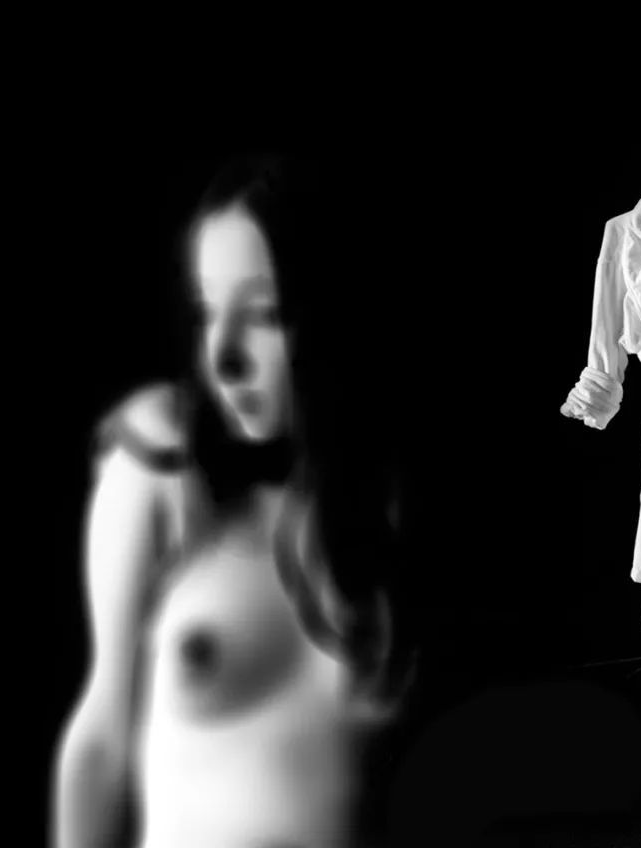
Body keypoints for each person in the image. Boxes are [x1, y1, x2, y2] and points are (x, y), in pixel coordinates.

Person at [51, 155, 418, 848]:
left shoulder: (382, 502)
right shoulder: (159, 465)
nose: (222, 358)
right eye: (207, 313)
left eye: (264, 315)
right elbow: (99, 741)